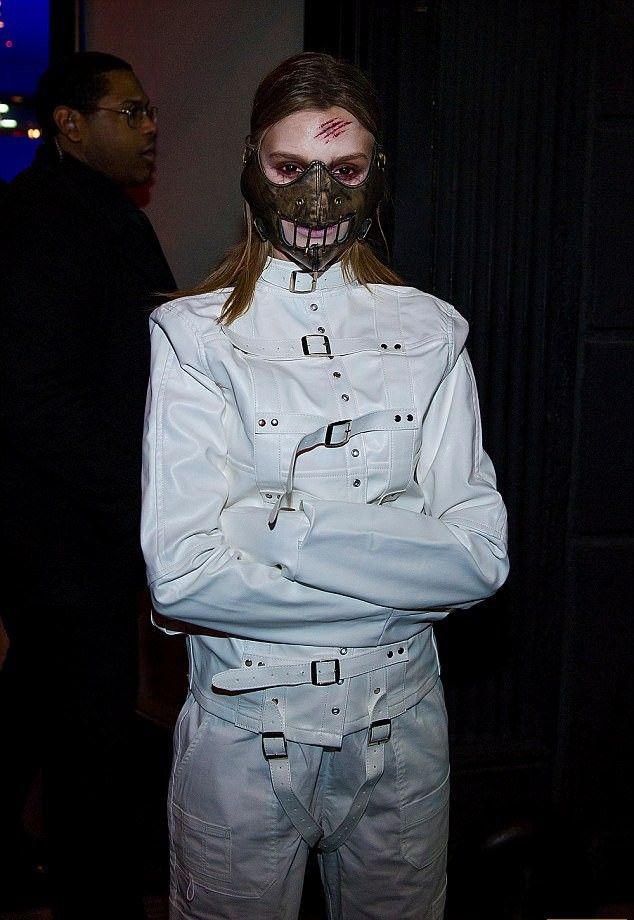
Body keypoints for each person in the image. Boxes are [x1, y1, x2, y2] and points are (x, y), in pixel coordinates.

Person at [141, 52, 509, 920]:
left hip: (404, 734)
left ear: (378, 173)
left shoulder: (432, 331)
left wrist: (275, 531)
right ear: (252, 166)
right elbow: (184, 577)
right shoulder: (192, 336)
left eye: (344, 170)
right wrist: (400, 580)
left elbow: (480, 559)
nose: (317, 199)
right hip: (242, 742)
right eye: (289, 168)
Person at [0, 52, 175, 919]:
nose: (150, 128)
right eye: (129, 112)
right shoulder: (39, 219)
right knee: (87, 738)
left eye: (148, 112)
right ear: (70, 124)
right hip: (62, 530)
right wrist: (134, 501)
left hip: (79, 525)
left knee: (40, 703)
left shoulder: (102, 212)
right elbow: (34, 396)